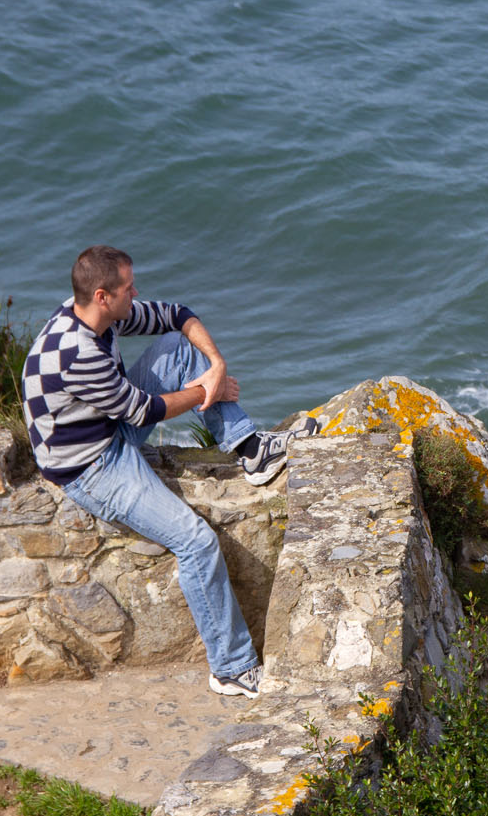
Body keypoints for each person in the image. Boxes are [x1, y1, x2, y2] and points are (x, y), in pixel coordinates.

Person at [22, 244, 314, 698]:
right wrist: (204, 391)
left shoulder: (96, 316)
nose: (135, 293)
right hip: (90, 466)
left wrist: (214, 369)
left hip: (104, 428)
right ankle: (231, 668)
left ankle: (251, 449)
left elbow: (179, 315)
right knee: (196, 542)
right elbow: (144, 411)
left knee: (180, 346)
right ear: (102, 296)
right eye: (127, 288)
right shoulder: (77, 354)